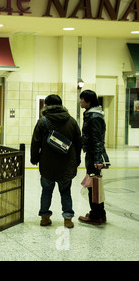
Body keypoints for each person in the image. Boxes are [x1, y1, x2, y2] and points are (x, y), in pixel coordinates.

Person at [31, 94, 82, 228]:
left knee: (46, 191)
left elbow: (35, 142)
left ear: (46, 105)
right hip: (66, 164)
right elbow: (78, 142)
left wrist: (34, 158)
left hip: (47, 163)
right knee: (66, 192)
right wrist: (77, 160)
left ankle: (44, 218)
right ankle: (68, 219)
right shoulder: (71, 121)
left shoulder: (43, 121)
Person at [78, 89, 107, 225]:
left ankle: (95, 215)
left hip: (93, 155)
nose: (80, 101)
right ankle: (100, 213)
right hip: (93, 154)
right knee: (95, 184)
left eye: (82, 99)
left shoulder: (94, 117)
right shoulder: (93, 115)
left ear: (88, 101)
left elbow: (96, 140)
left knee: (93, 185)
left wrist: (96, 160)